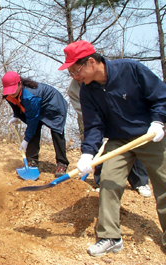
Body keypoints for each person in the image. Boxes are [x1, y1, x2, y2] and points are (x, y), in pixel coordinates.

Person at [59, 40, 166, 257]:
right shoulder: (87, 91)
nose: (74, 76)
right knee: (108, 180)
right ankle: (110, 237)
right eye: (70, 72)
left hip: (149, 134)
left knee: (164, 182)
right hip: (119, 140)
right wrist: (87, 153)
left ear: (91, 62)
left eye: (75, 70)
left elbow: (161, 97)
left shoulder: (131, 70)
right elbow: (94, 125)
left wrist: (158, 122)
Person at [67, 79, 152, 198]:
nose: (76, 75)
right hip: (95, 121)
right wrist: (98, 125)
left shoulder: (105, 78)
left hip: (121, 118)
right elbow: (82, 110)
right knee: (96, 148)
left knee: (131, 145)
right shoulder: (73, 89)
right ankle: (101, 182)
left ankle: (140, 182)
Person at [2, 71, 69, 177]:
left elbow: (32, 120)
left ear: (20, 84)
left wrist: (26, 140)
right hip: (37, 106)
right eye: (9, 91)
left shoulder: (30, 96)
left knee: (56, 132)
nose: (12, 93)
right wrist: (16, 115)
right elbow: (15, 104)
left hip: (53, 105)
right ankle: (32, 161)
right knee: (34, 130)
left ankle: (62, 163)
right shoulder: (8, 94)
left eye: (14, 89)